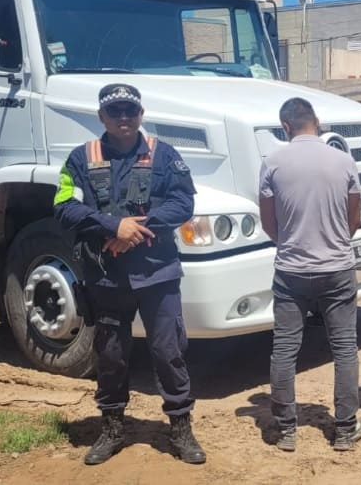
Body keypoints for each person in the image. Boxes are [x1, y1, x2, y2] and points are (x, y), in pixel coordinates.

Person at [53, 83, 206, 465]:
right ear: (101, 116)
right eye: (115, 111)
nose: (123, 117)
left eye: (130, 110)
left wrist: (136, 229)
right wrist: (112, 226)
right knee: (111, 355)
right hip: (106, 276)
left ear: (141, 114)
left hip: (157, 273)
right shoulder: (81, 158)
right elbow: (63, 206)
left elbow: (183, 202)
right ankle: (112, 428)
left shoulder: (163, 153)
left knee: (169, 351)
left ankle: (180, 427)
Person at [259, 97, 361, 452]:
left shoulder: (272, 162)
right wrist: (333, 241)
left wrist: (290, 243)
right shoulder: (343, 160)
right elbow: (354, 218)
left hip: (291, 269)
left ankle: (286, 429)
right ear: (317, 122)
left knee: (285, 348)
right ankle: (345, 429)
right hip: (336, 267)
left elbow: (269, 222)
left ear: (285, 127)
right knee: (344, 348)